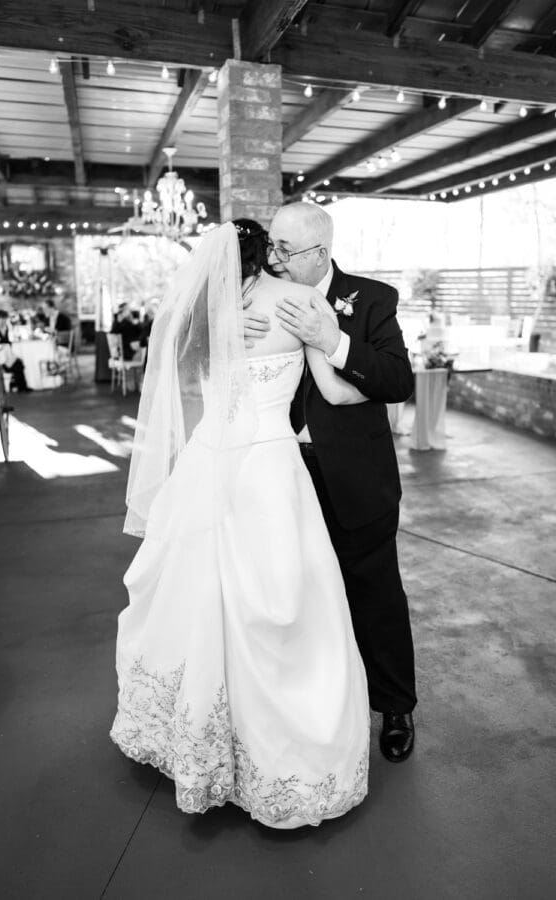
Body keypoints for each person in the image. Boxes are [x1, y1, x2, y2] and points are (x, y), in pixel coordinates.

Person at [110, 221, 371, 829]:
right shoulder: (302, 302)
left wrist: (223, 337)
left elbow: (181, 384)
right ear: (266, 257)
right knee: (285, 602)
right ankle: (281, 756)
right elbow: (331, 390)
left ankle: (194, 741)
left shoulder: (202, 319)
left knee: (191, 596)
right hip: (271, 469)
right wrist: (382, 397)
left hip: (207, 463)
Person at [244, 202, 417, 763]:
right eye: (272, 246)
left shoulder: (371, 300)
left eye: (284, 250)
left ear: (319, 253)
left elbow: (398, 380)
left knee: (374, 592)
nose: (274, 258)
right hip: (280, 476)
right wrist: (234, 329)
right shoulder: (261, 294)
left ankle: (394, 708)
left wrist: (334, 339)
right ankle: (320, 706)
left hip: (353, 475)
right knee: (299, 598)